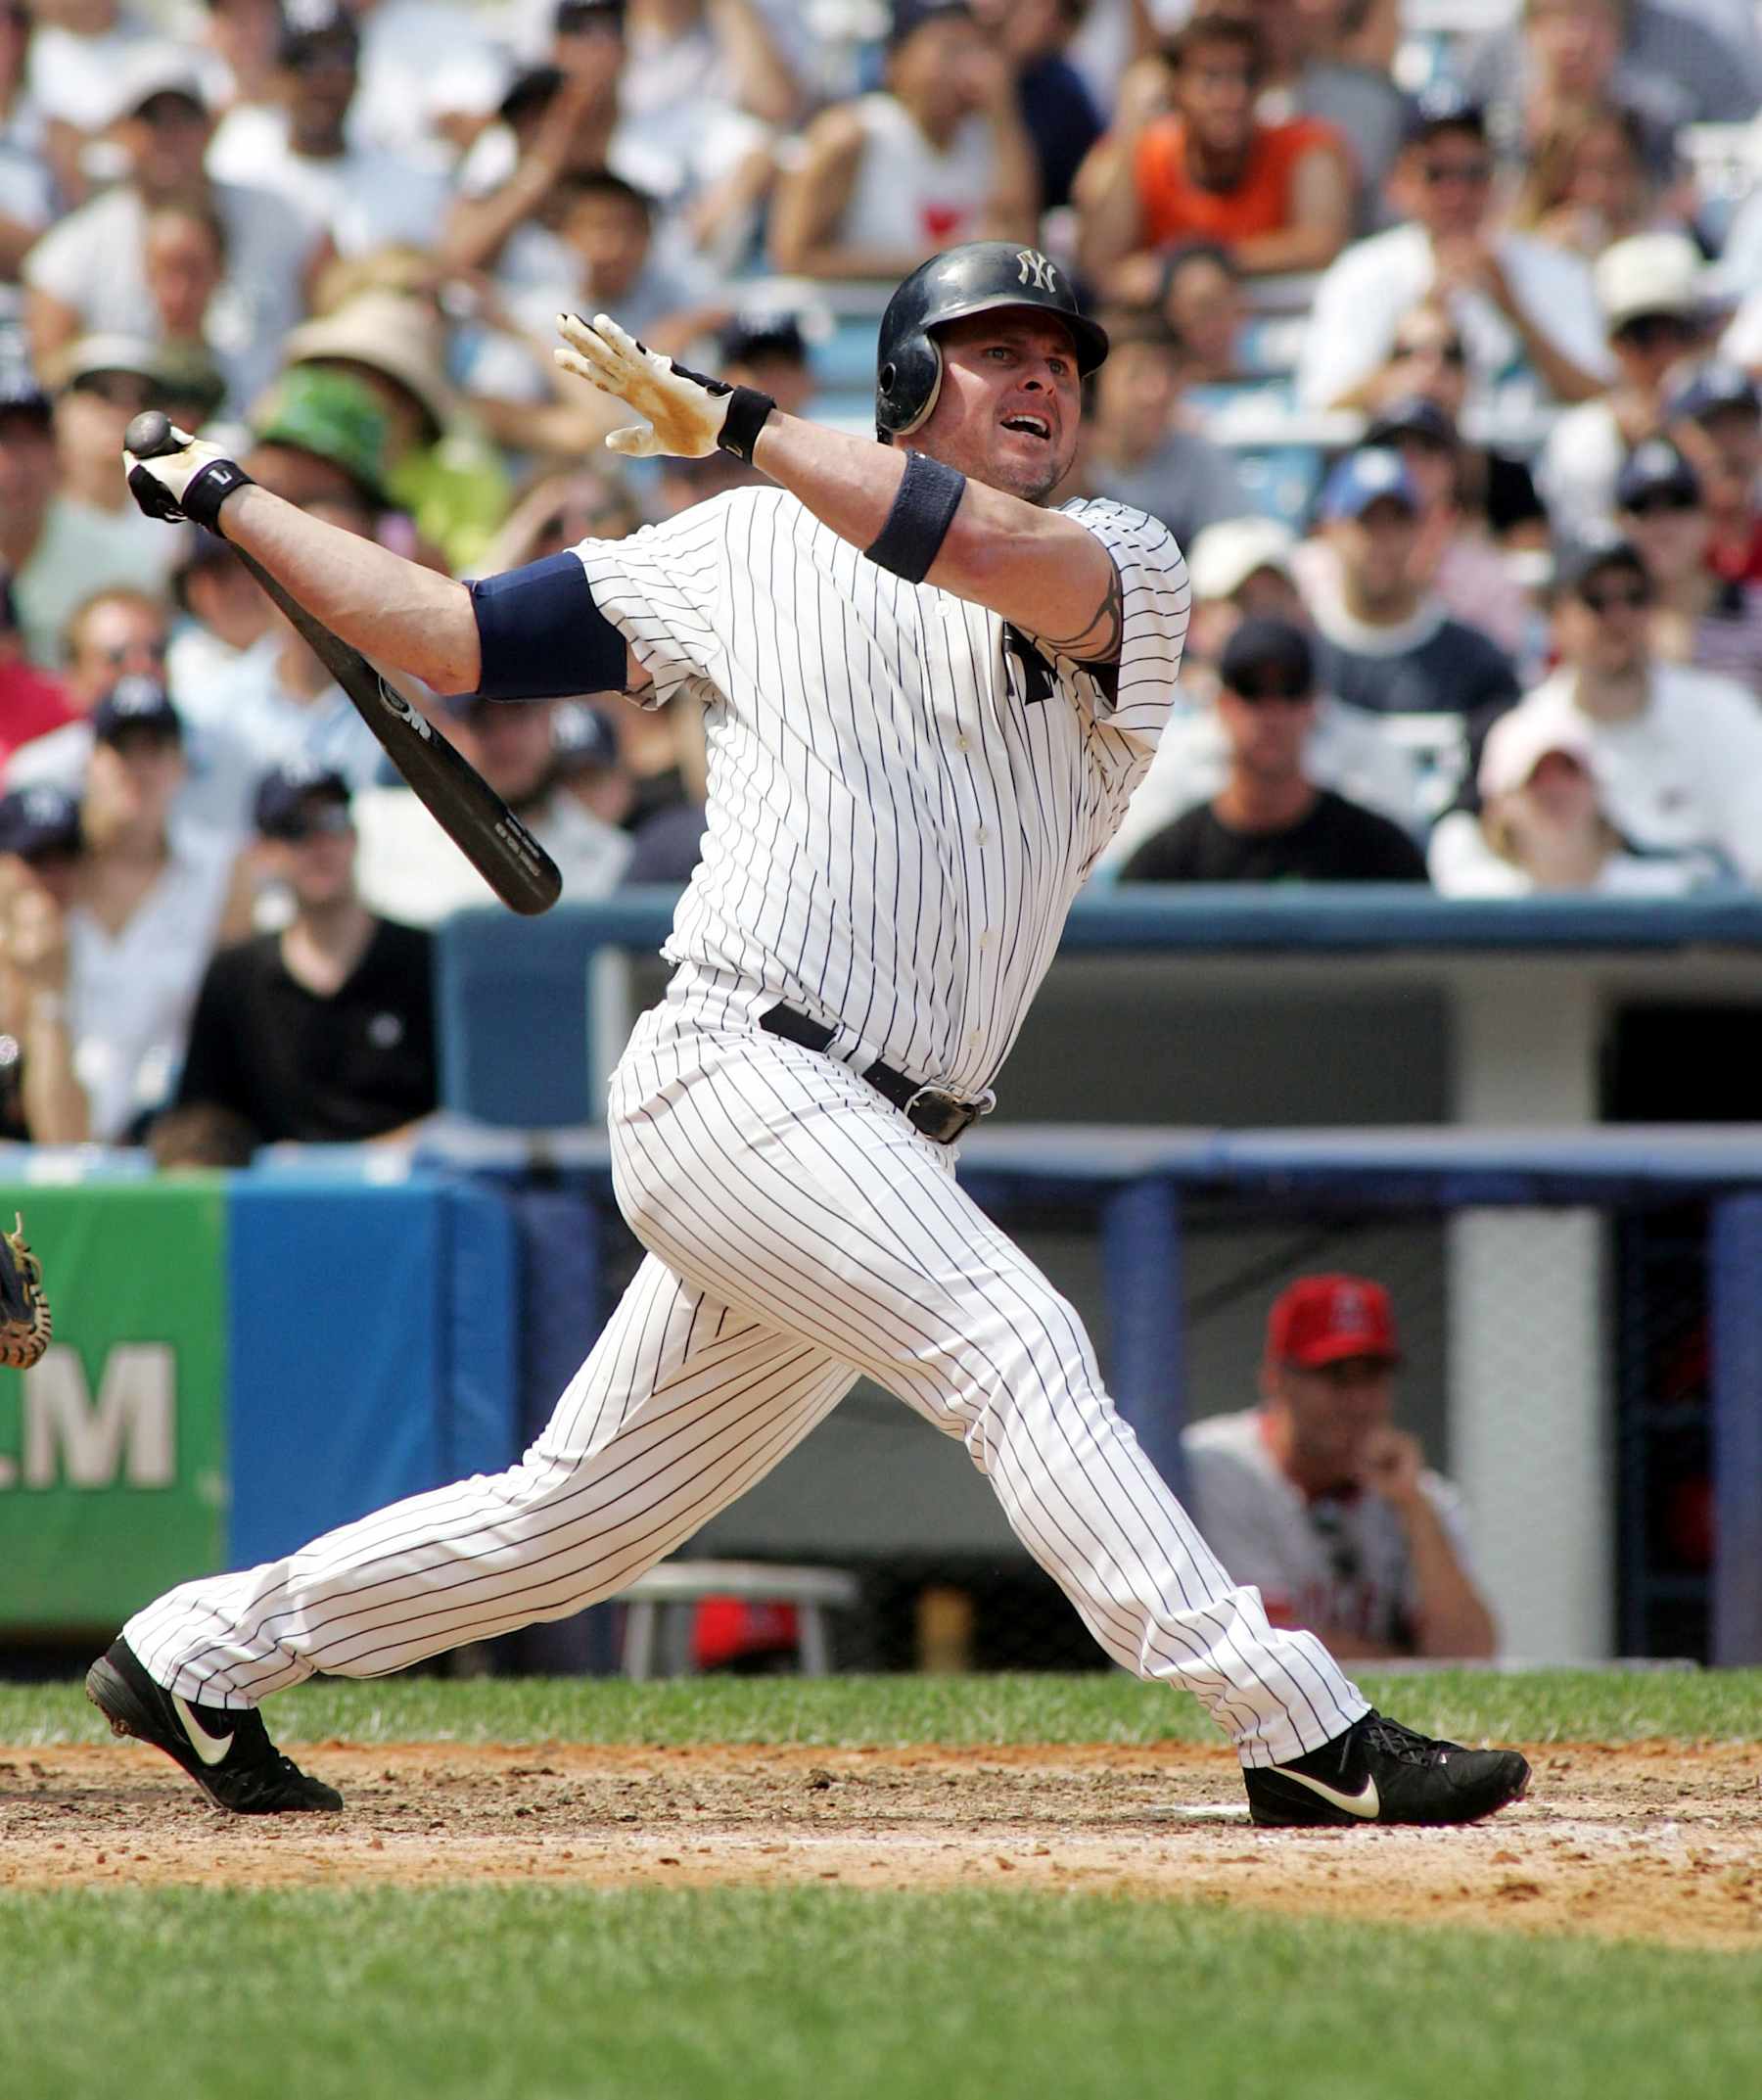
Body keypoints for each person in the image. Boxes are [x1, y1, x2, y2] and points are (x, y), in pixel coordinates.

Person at [90, 238, 1531, 1830]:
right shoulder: (744, 550)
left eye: (1060, 354)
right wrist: (227, 496)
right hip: (740, 1069)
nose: (1043, 372)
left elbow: (973, 548)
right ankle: (1301, 1730)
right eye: (997, 350)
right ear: (910, 382)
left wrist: (746, 424)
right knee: (1019, 1346)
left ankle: (198, 1656)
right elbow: (450, 633)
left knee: (575, 1525)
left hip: (879, 1137)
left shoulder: (1127, 561)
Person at [1182, 1275, 1499, 1661]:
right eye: (1336, 1378)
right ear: (1276, 1380)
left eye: (1373, 1377)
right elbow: (1262, 1648)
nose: (1358, 1402)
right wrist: (1414, 1665)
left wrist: (1414, 1509)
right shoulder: (1219, 1468)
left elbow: (1470, 1657)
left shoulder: (1420, 1496)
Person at [1430, 532, 1762, 891]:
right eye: (1596, 600)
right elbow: (1464, 856)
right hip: (1562, 941)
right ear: (1556, 616)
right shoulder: (1523, 734)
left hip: (1710, 940)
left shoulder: (1724, 714)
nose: (1618, 616)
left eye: (1635, 597)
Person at [168, 762, 438, 1146]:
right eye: (294, 828)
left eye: (332, 819)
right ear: (262, 853)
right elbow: (202, 1117)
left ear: (355, 835)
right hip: (278, 1195)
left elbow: (466, 1107)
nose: (319, 844)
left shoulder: (427, 959)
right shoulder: (234, 978)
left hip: (410, 1190)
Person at [1294, 88, 1609, 415]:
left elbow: (1601, 398)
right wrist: (1422, 317)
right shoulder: (1362, 271)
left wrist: (1512, 307)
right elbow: (1323, 404)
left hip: (1523, 463)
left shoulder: (1553, 267)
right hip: (1407, 459)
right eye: (1437, 175)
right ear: (1403, 180)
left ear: (1496, 179)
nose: (1457, 194)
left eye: (1474, 174)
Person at [1119, 617, 1427, 884]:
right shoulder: (1165, 863)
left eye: (1290, 689)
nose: (1272, 712)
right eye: (1251, 689)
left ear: (1314, 706)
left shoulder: (1380, 855)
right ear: (1223, 706)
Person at [1073, 12, 1350, 298]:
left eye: (1245, 77)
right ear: (1176, 88)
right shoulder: (1146, 151)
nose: (1232, 97)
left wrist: (1204, 263)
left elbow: (1321, 243)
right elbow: (1099, 265)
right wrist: (1132, 124)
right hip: (1168, 331)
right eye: (1211, 78)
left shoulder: (1305, 148)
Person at [767, 0, 1038, 283]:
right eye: (950, 49)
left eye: (978, 51)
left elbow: (1018, 251)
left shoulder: (991, 139)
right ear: (894, 60)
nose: (969, 69)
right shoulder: (850, 135)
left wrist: (1003, 113)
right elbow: (794, 258)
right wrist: (940, 261)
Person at [1296, 447, 1522, 723]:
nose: (1383, 540)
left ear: (1421, 530)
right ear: (1330, 529)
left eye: (1398, 520)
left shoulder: (1475, 663)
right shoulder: (1298, 654)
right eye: (1367, 521)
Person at [1428, 699, 1716, 897]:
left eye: (1570, 770)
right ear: (1498, 804)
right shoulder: (1471, 900)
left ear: (1598, 790)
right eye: (1533, 777)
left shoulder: (1669, 892)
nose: (1555, 788)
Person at [1536, 231, 1718, 539]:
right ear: (1613, 344)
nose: (1665, 352)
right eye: (1643, 334)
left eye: (1679, 331)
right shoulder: (1583, 437)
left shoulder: (1740, 418)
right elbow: (1594, 554)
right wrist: (1625, 451)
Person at [1081, 308, 1246, 548]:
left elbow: (1237, 550)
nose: (1157, 391)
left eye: (1168, 372)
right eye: (1136, 373)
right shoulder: (1067, 463)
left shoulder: (1200, 459)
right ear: (1095, 385)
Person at [1613, 437, 1762, 694]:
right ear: (1618, 524)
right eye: (1642, 507)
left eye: (1679, 503)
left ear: (1707, 516)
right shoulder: (1603, 620)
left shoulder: (1757, 610)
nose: (1663, 525)